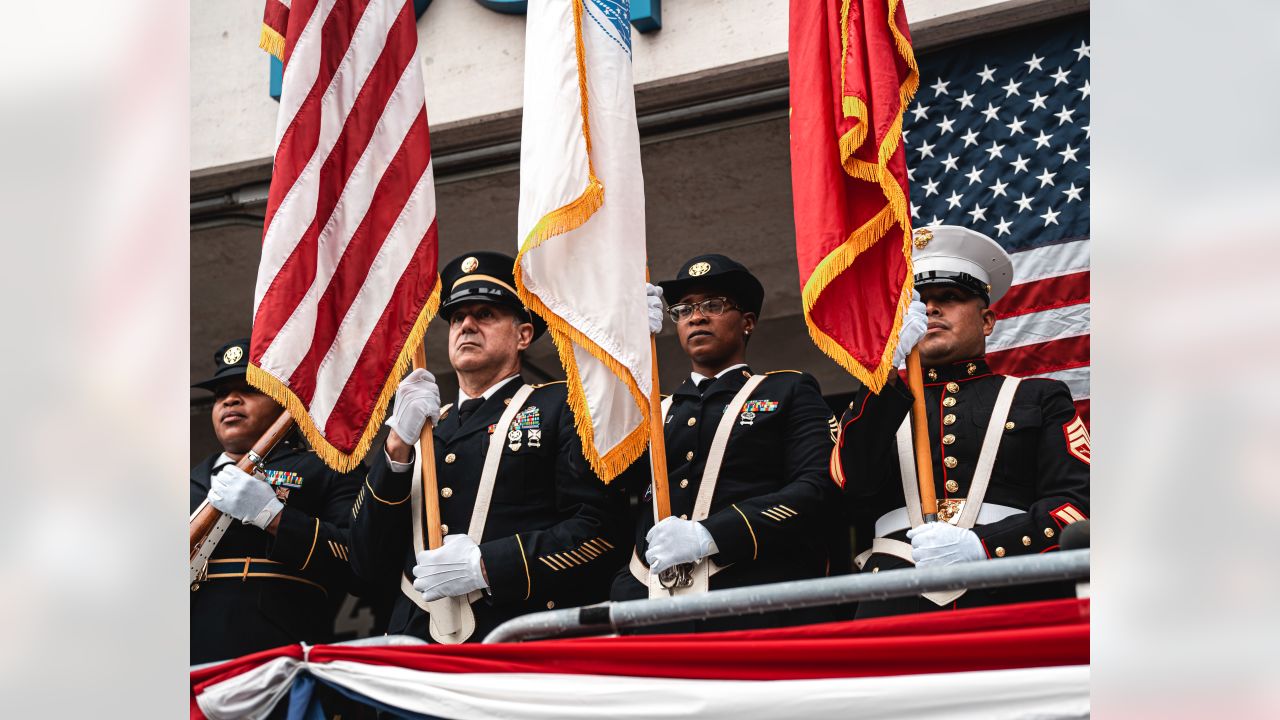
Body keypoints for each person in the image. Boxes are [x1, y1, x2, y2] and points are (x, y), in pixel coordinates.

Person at [348, 251, 630, 643]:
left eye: (486, 314)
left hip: (516, 638)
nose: (467, 325)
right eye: (457, 317)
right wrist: (395, 445)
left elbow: (600, 531)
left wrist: (488, 566)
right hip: (418, 645)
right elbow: (365, 561)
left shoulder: (561, 407)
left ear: (523, 335)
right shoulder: (425, 430)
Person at [832, 226, 1090, 617]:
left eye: (949, 298)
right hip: (894, 601)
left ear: (987, 321)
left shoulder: (1037, 397)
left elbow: (1079, 505)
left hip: (1010, 593)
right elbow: (849, 483)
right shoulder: (881, 401)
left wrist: (986, 545)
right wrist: (885, 370)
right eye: (917, 302)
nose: (931, 309)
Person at [610, 254, 844, 631]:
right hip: (651, 603)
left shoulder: (787, 390)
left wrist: (712, 534)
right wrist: (623, 358)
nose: (696, 317)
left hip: (750, 600)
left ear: (747, 322)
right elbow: (600, 476)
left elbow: (815, 489)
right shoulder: (654, 410)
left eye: (713, 305)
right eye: (683, 310)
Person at [190, 338, 366, 665]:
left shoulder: (328, 468)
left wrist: (273, 517)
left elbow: (359, 562)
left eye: (249, 389)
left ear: (283, 401)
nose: (230, 400)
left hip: (277, 654)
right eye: (220, 395)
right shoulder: (184, 483)